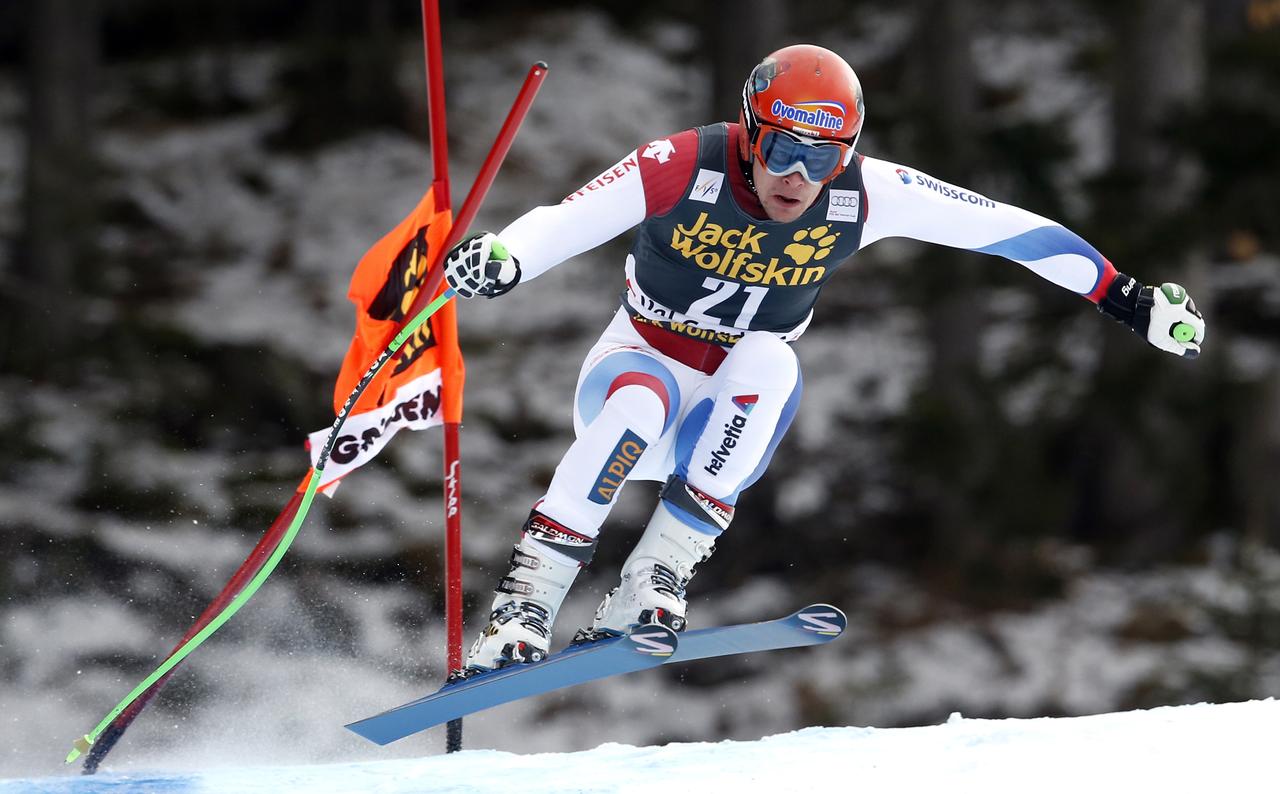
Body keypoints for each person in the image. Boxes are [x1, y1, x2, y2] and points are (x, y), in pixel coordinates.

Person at [443, 44, 1205, 673]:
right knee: (642, 404)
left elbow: (1007, 229)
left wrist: (1122, 294)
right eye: (781, 150)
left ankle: (652, 580)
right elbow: (568, 218)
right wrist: (508, 257)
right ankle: (525, 607)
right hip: (633, 372)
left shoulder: (867, 193)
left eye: (823, 158)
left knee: (770, 362)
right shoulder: (684, 163)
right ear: (749, 132)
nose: (798, 177)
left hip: (725, 419)